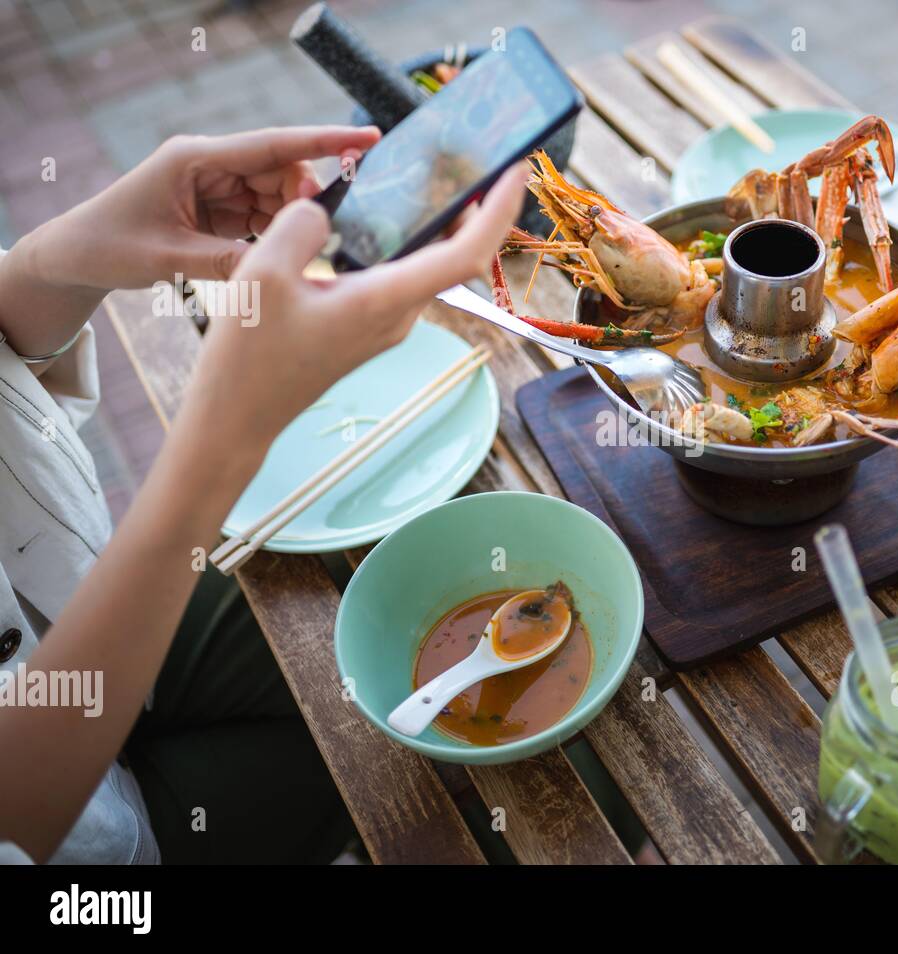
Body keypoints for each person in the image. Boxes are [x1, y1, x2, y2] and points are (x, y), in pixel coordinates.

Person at [0, 125, 527, 864]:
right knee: (377, 753)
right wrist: (222, 442)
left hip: (55, 612)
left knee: (372, 632)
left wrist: (48, 266)